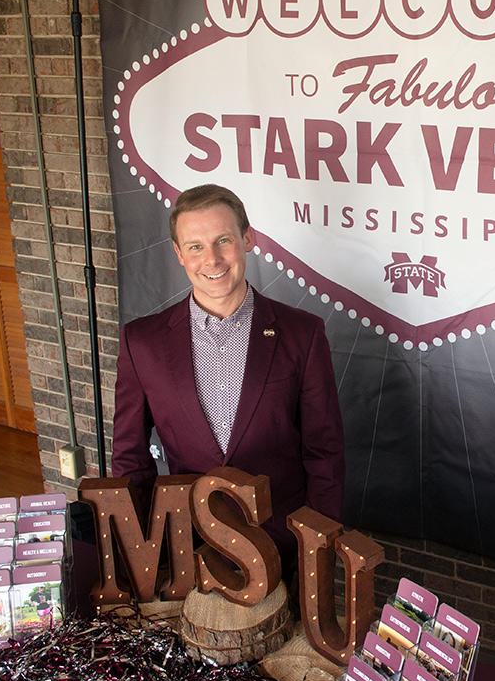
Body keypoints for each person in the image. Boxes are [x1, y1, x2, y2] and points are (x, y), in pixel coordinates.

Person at [111, 183, 346, 574]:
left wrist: (315, 549)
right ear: (178, 254)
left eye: (223, 240)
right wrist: (147, 556)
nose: (213, 259)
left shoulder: (301, 334)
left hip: (284, 547)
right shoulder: (143, 342)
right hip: (189, 548)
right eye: (196, 246)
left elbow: (325, 454)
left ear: (247, 238)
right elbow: (130, 459)